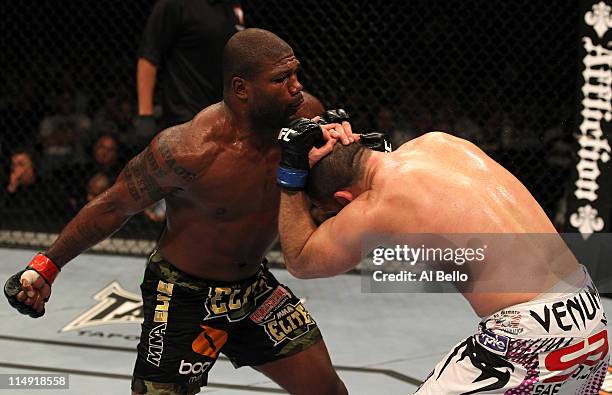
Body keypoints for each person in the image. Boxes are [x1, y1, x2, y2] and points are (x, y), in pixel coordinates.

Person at [4, 29, 350, 395]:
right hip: (184, 293)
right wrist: (47, 265)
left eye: (296, 73)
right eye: (281, 79)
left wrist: (347, 150)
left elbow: (332, 186)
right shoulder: (189, 150)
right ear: (241, 88)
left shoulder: (305, 118)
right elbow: (114, 204)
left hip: (254, 289)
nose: (296, 87)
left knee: (328, 391)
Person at [275, 120, 609, 394]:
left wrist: (290, 177)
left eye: (332, 212)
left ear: (344, 199)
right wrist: (348, 141)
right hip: (591, 310)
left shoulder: (376, 207)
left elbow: (301, 260)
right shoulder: (440, 143)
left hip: (533, 338)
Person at [136, 0, 244, 135]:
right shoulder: (174, 4)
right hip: (184, 119)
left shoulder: (230, 8)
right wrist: (145, 115)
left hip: (222, 117)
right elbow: (149, 57)